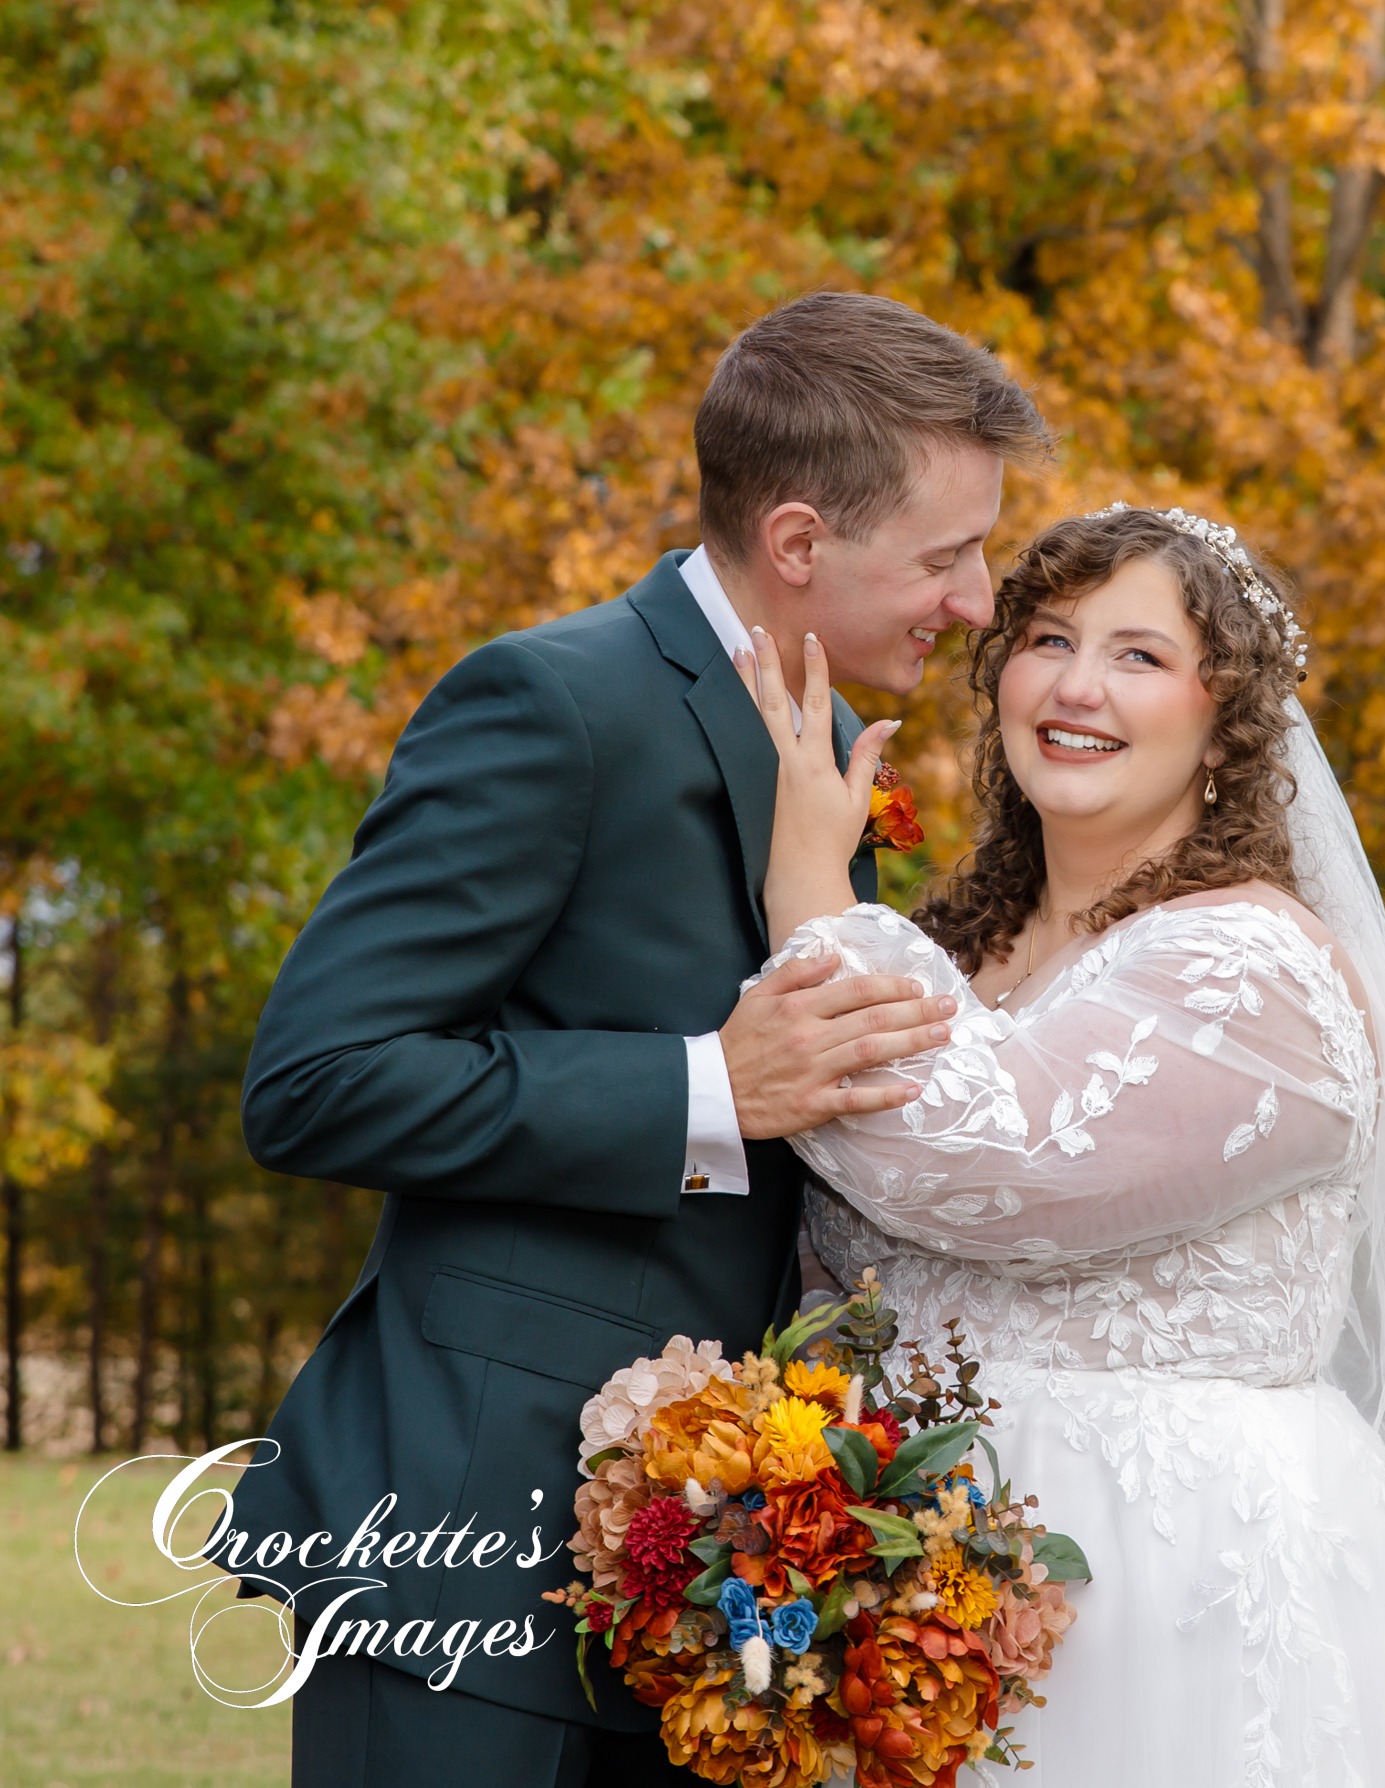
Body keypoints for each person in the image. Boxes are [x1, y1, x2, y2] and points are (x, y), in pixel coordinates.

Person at [227, 292, 1052, 1787]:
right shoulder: (554, 704)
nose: (978, 600)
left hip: (717, 1588)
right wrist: (705, 1086)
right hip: (467, 1557)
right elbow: (317, 1080)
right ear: (797, 542)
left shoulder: (824, 745)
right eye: (945, 556)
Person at [742, 503, 1385, 1786]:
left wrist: (807, 895)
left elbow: (979, 1168)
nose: (1078, 687)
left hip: (1166, 1573)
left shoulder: (1254, 971)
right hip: (917, 1575)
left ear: (1224, 718)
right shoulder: (963, 947)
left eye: (1140, 655)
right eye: (1049, 640)